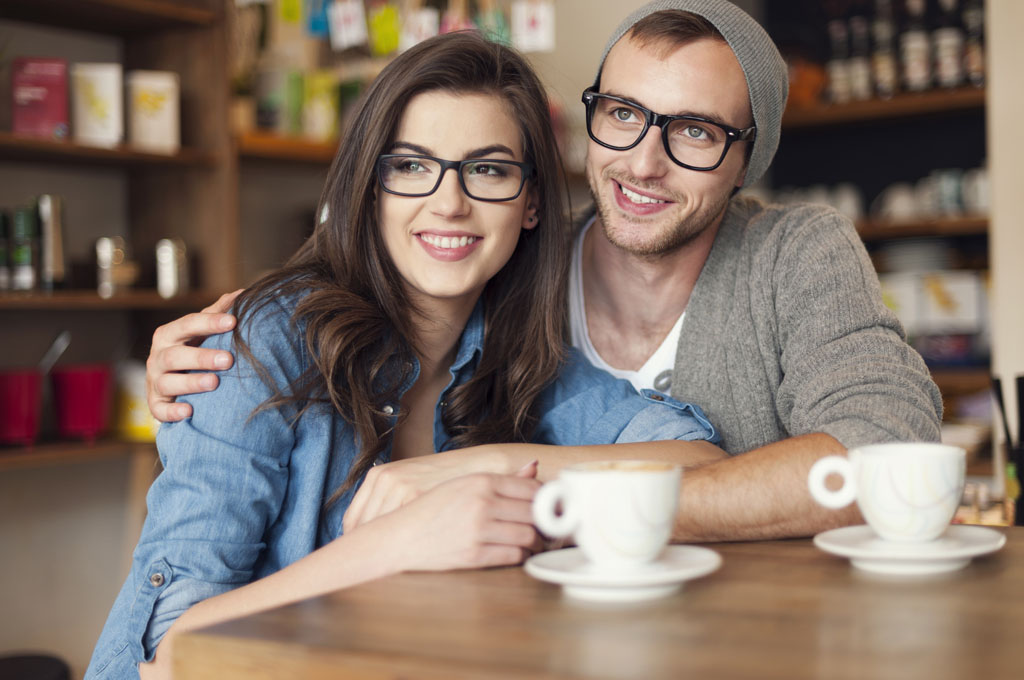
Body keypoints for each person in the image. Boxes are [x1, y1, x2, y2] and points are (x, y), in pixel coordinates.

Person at [144, 0, 943, 543]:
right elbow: (363, 293)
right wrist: (223, 362)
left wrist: (484, 472)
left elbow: (883, 457)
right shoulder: (514, 267)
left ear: (745, 160)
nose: (644, 160)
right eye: (623, 115)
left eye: (694, 131)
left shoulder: (795, 254)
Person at [87, 32, 723, 680]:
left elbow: (697, 460)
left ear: (531, 203)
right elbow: (172, 655)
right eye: (413, 166)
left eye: (489, 169)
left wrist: (480, 469)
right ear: (372, 188)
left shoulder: (523, 362)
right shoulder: (258, 346)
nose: (449, 202)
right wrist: (397, 544)